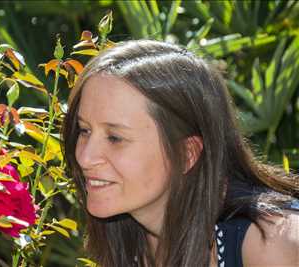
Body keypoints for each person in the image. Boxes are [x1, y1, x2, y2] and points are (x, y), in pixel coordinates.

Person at [62, 40, 299, 267]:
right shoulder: (131, 237)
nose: (85, 158)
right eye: (84, 130)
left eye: (115, 138)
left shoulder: (273, 243)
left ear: (188, 153)